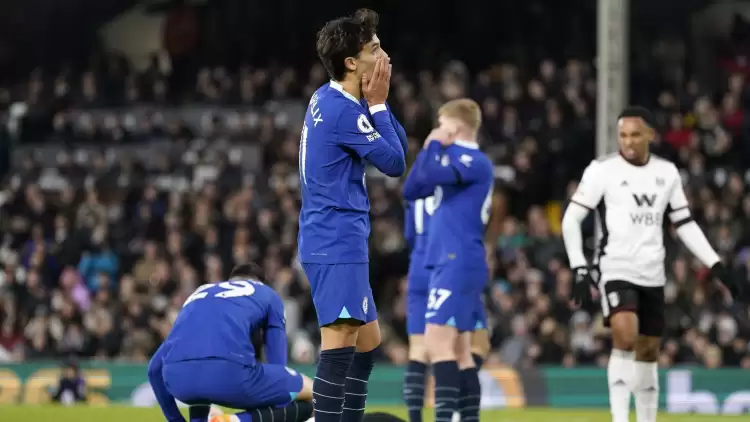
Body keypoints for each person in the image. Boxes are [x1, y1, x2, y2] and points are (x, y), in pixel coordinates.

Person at [561, 106, 743, 422]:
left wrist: (716, 265)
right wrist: (579, 266)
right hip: (615, 267)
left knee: (647, 353)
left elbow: (684, 223)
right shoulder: (602, 170)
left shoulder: (667, 173)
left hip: (652, 272)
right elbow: (571, 219)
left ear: (650, 135)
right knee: (625, 335)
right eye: (622, 135)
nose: (628, 142)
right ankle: (620, 418)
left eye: (634, 135)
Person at [298, 8, 407, 422]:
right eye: (374, 48)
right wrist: (378, 104)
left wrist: (377, 104)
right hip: (335, 239)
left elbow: (400, 147)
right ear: (351, 62)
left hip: (334, 236)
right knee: (341, 342)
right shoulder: (346, 111)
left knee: (368, 340)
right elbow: (395, 163)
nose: (383, 55)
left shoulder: (330, 97)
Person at [403, 98, 493, 422]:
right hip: (447, 259)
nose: (435, 131)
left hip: (458, 258)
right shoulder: (449, 157)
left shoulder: (474, 160)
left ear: (455, 127)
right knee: (461, 350)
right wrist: (433, 149)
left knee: (437, 340)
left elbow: (426, 174)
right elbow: (412, 188)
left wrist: (433, 146)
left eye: (440, 124)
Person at [147, 263, 314, 422]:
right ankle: (235, 420)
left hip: (178, 380)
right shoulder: (267, 294)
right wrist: (278, 414)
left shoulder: (199, 293)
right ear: (260, 282)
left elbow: (154, 369)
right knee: (314, 392)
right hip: (229, 374)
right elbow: (278, 364)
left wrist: (175, 419)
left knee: (202, 390)